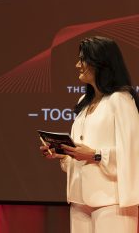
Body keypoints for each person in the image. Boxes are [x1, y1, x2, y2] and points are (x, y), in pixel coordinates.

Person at [40, 36, 139, 233]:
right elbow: (81, 151)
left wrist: (96, 155)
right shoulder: (84, 101)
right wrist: (64, 154)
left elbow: (133, 153)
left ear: (101, 64)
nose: (78, 65)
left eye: (83, 59)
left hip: (112, 202)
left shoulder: (120, 99)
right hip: (79, 199)